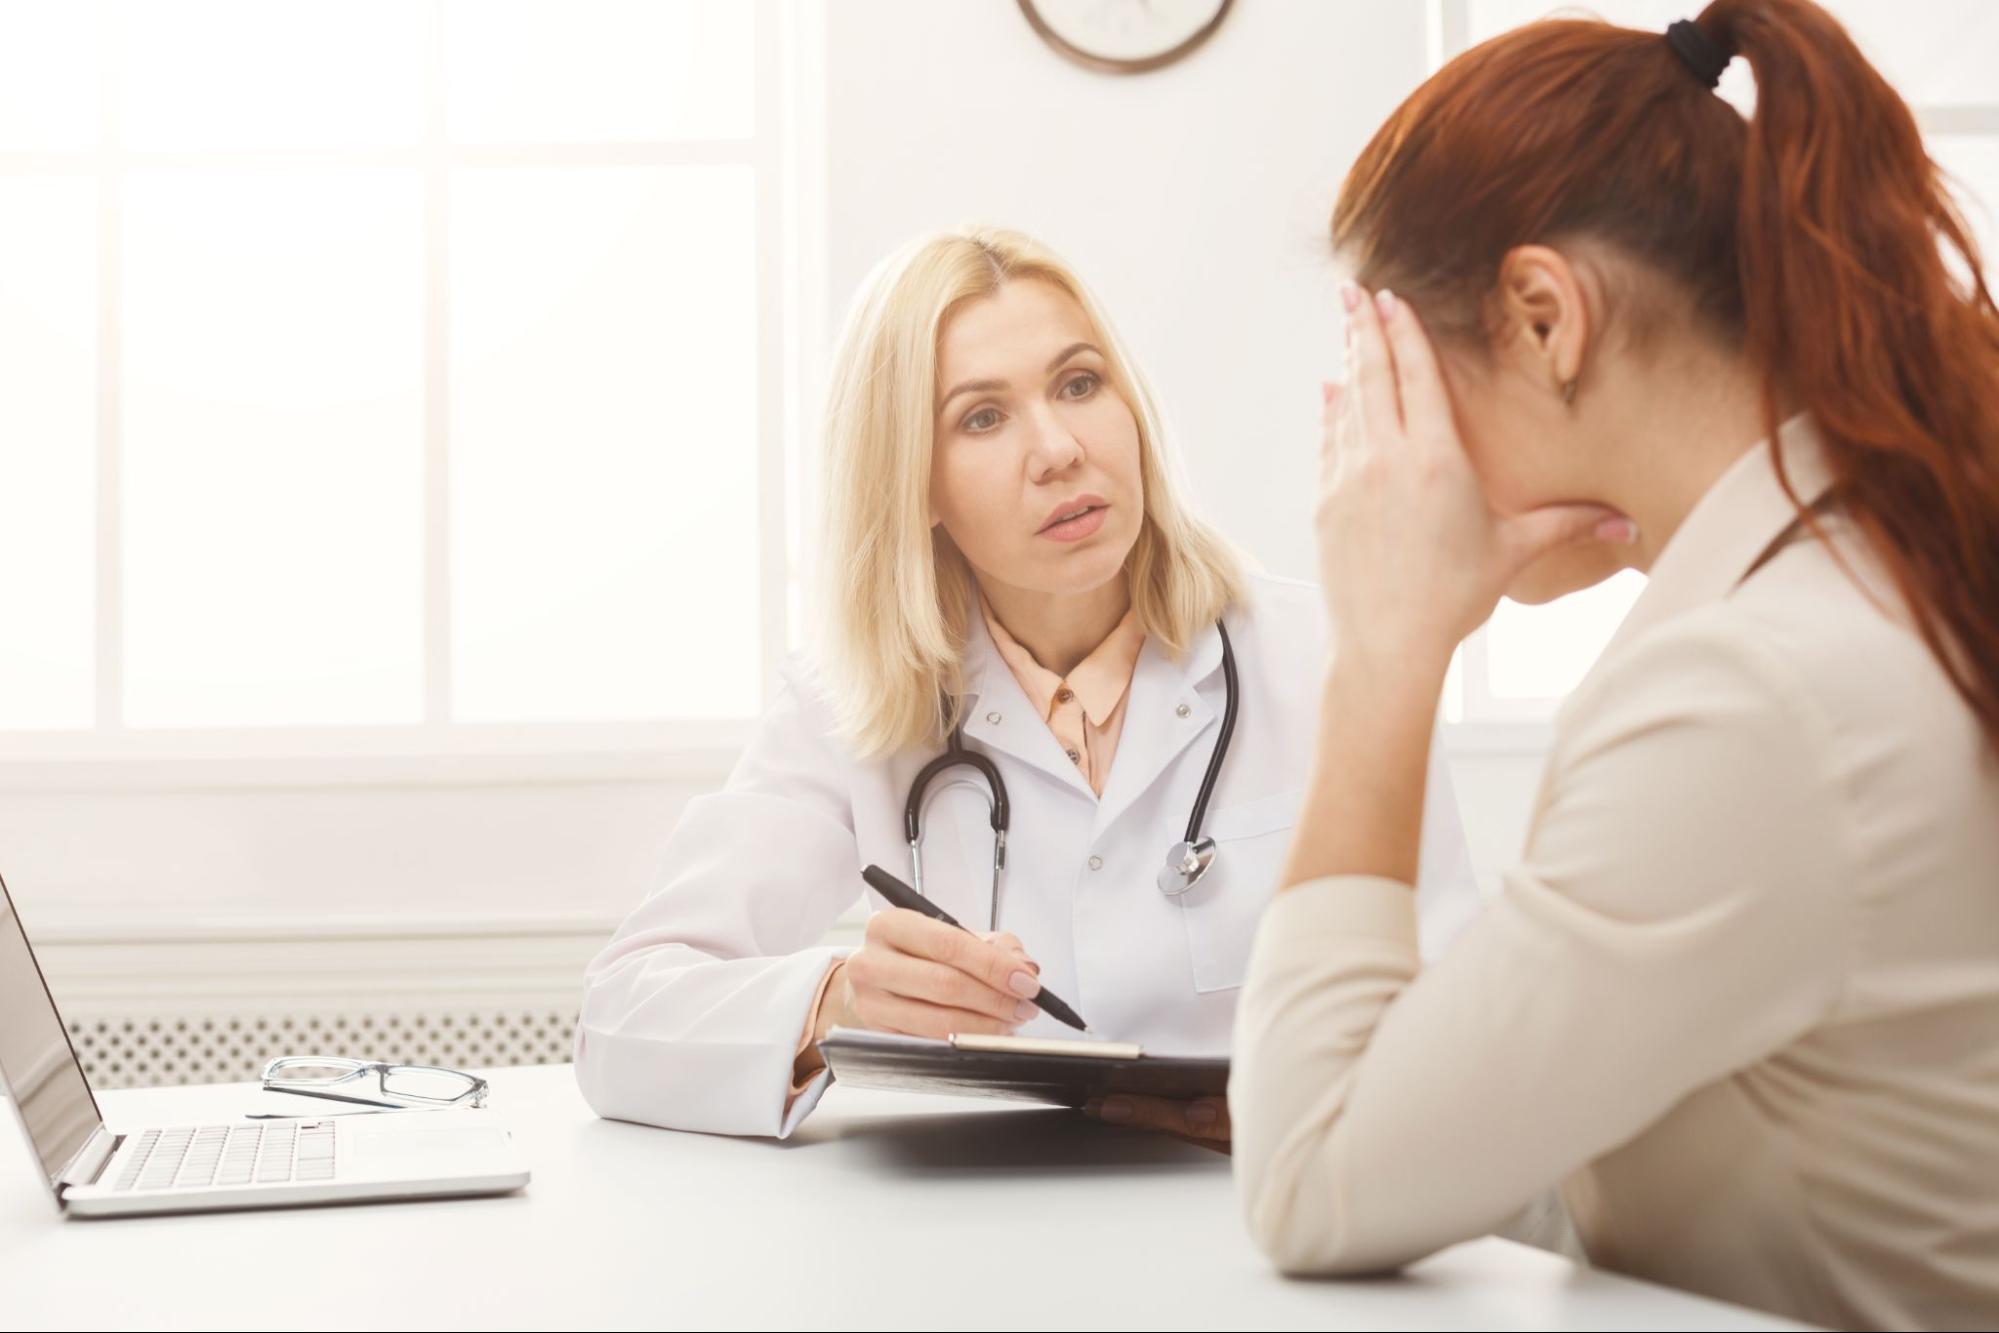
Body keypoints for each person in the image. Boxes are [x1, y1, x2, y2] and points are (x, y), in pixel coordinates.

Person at [1229, 4, 1999, 1329]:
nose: (1377, 450)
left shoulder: (1758, 694)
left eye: (1394, 380)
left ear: (1541, 317)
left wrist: (1382, 647)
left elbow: (1309, 1184)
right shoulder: (1862, 573)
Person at [572, 225, 1486, 1141]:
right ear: (913, 481)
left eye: (1079, 384)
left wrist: (1313, 1106)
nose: (1057, 448)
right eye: (981, 416)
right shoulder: (847, 698)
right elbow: (620, 1017)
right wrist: (836, 997)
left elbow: (1459, 1009)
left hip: (1275, 1207)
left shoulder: (1323, 649)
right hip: (990, 1233)